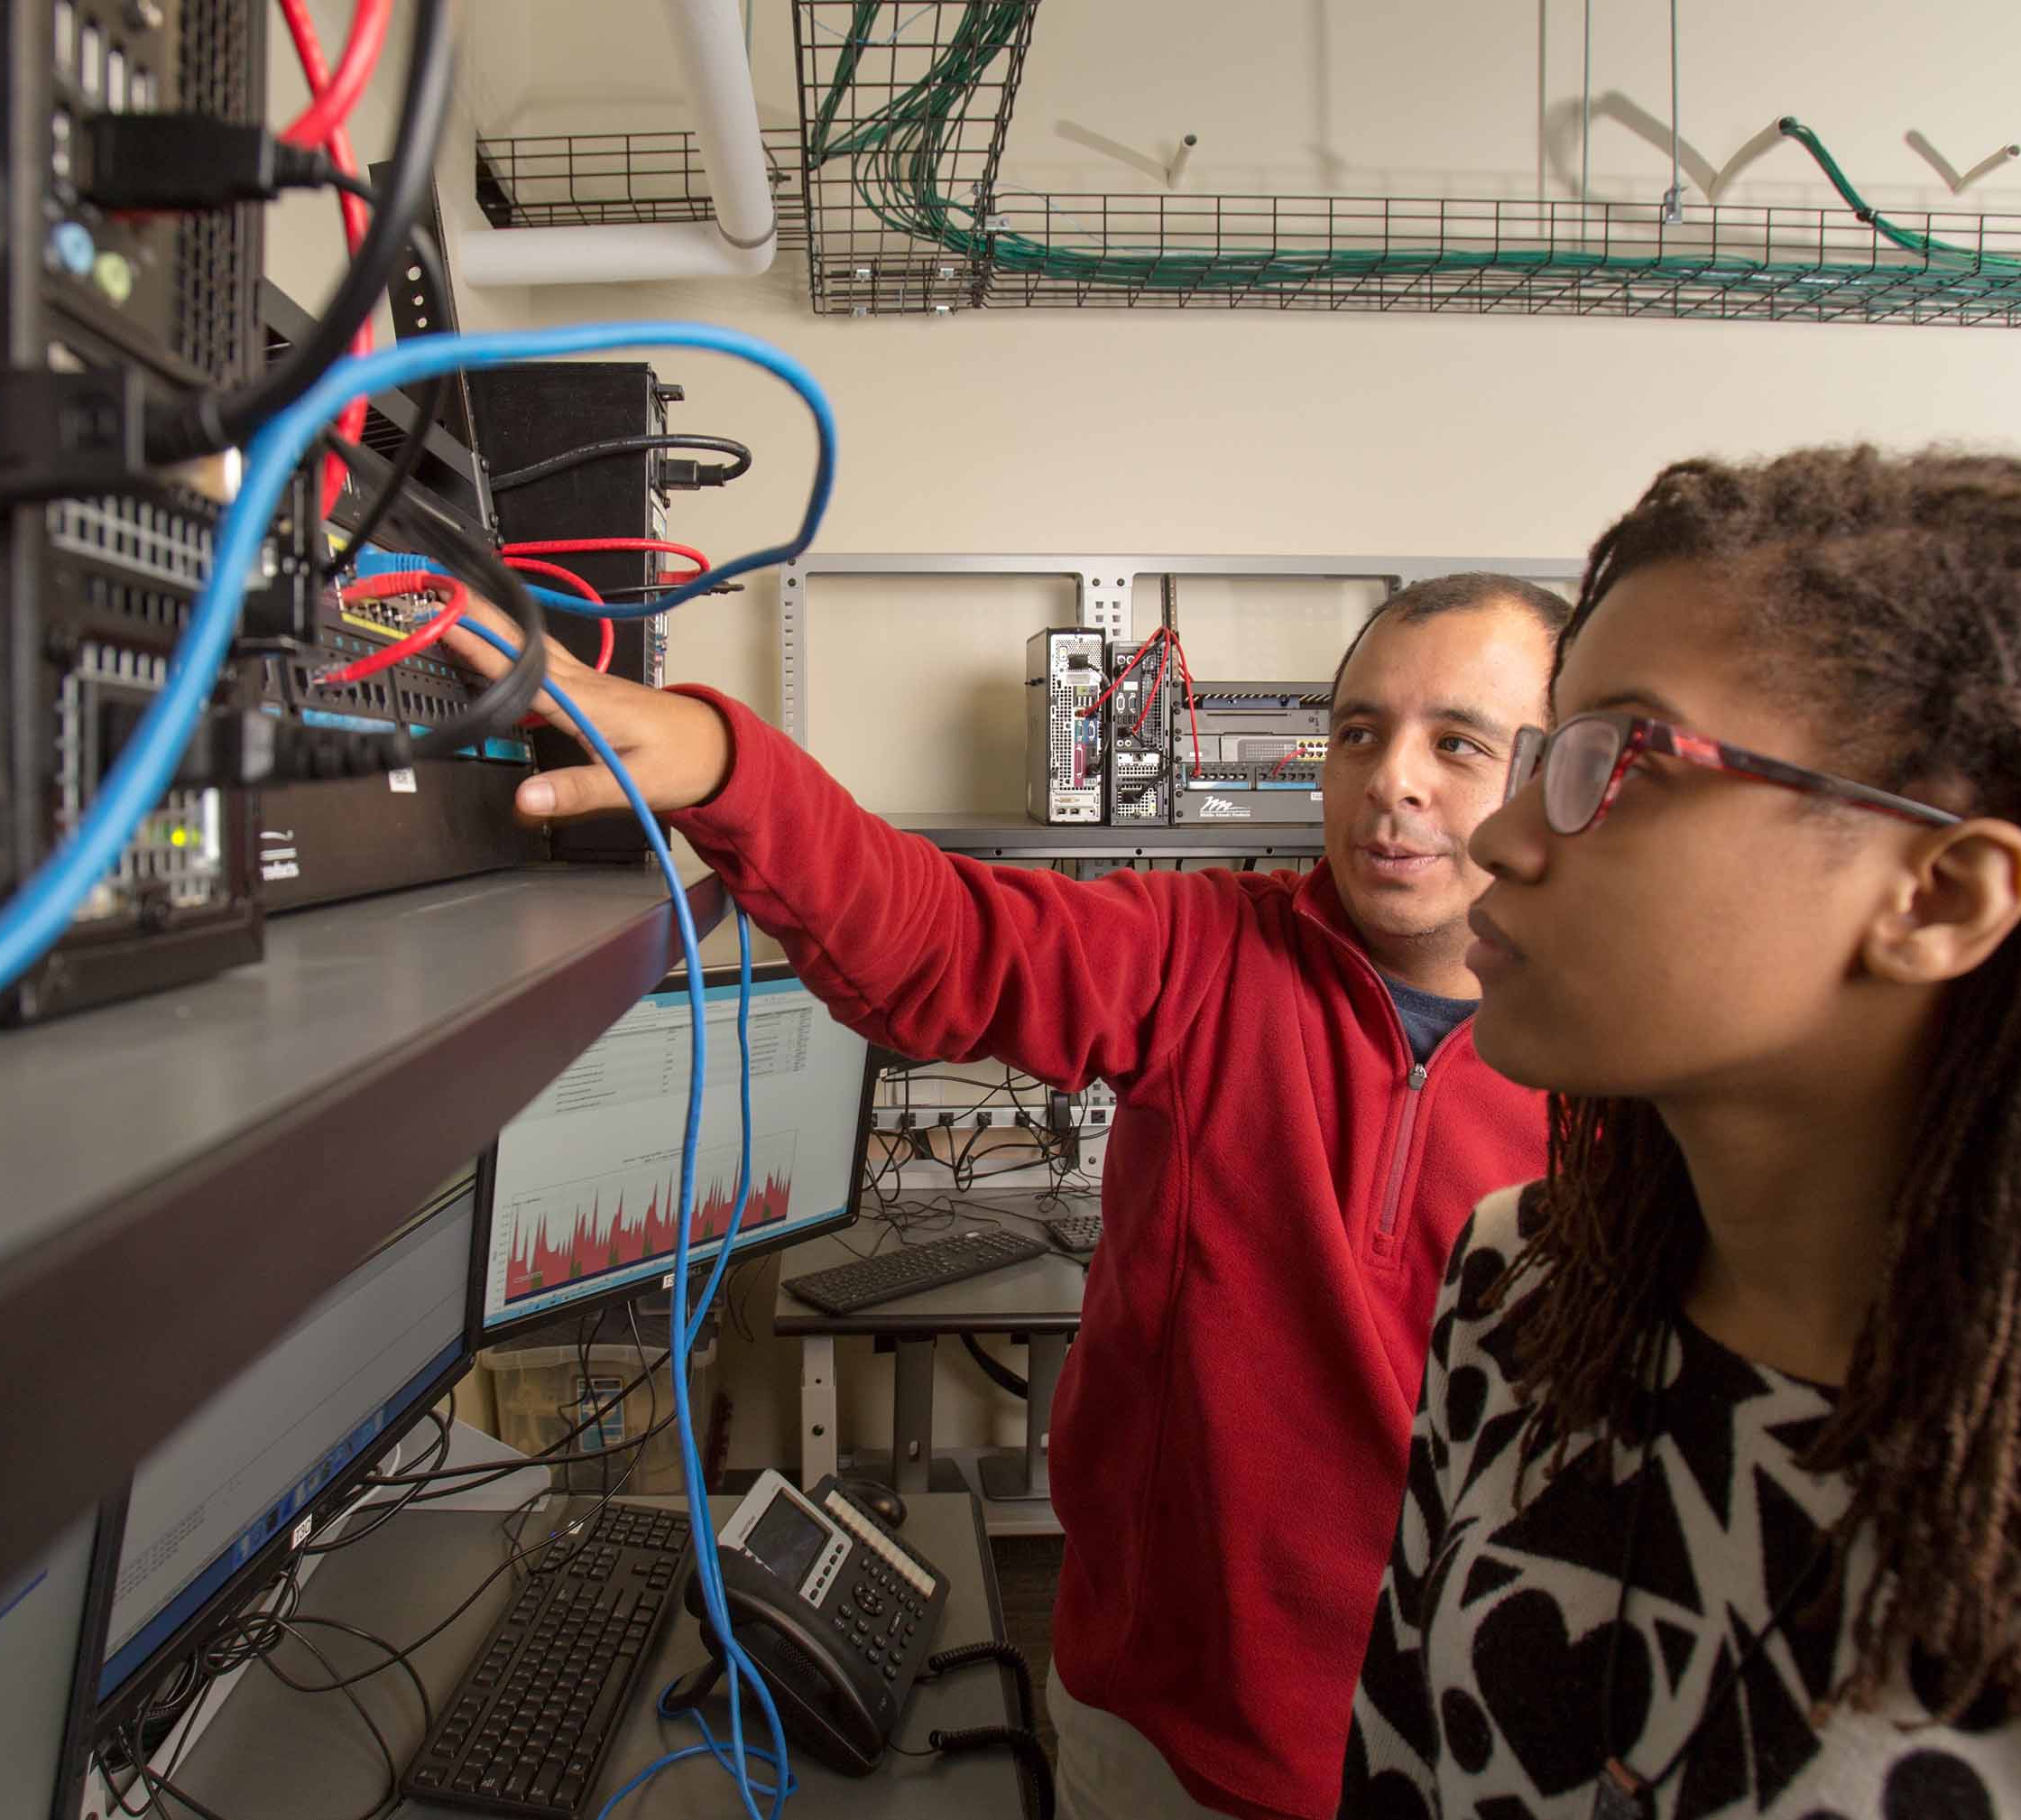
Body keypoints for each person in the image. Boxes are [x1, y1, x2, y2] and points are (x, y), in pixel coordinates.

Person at [443, 572, 1565, 1820]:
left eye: (1456, 742)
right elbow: (945, 941)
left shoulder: (1613, 1081)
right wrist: (724, 763)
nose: (1389, 779)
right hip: (1151, 1728)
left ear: (1557, 783)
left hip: (1434, 1753)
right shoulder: (1209, 950)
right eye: (1357, 733)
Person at [1339, 448, 2021, 1818]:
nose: (1504, 839)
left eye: (1619, 762)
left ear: (1942, 894)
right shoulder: (1526, 1289)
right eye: (1549, 755)